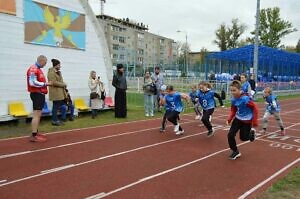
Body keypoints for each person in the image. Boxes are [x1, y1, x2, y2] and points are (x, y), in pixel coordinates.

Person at [226, 80, 258, 160]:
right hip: (238, 118)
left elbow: (255, 108)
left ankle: (252, 135)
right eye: (231, 90)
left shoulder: (245, 99)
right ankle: (235, 151)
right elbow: (233, 110)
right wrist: (229, 119)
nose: (232, 92)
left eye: (234, 90)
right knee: (230, 135)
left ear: (239, 89)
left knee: (243, 138)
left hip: (247, 120)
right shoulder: (233, 99)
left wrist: (254, 122)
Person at [26, 55, 52, 142]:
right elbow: (32, 82)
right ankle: (33, 135)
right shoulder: (33, 69)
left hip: (40, 94)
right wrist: (45, 84)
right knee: (36, 114)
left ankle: (36, 132)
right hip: (36, 94)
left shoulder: (38, 69)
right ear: (41, 61)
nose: (45, 65)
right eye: (44, 63)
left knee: (38, 114)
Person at [47, 59, 67, 125]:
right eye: (59, 65)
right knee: (55, 107)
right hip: (55, 93)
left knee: (58, 106)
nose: (60, 66)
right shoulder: (51, 72)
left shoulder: (58, 72)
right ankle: (54, 120)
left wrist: (63, 84)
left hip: (60, 92)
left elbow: (60, 81)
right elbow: (53, 82)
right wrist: (63, 84)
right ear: (56, 65)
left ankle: (58, 119)